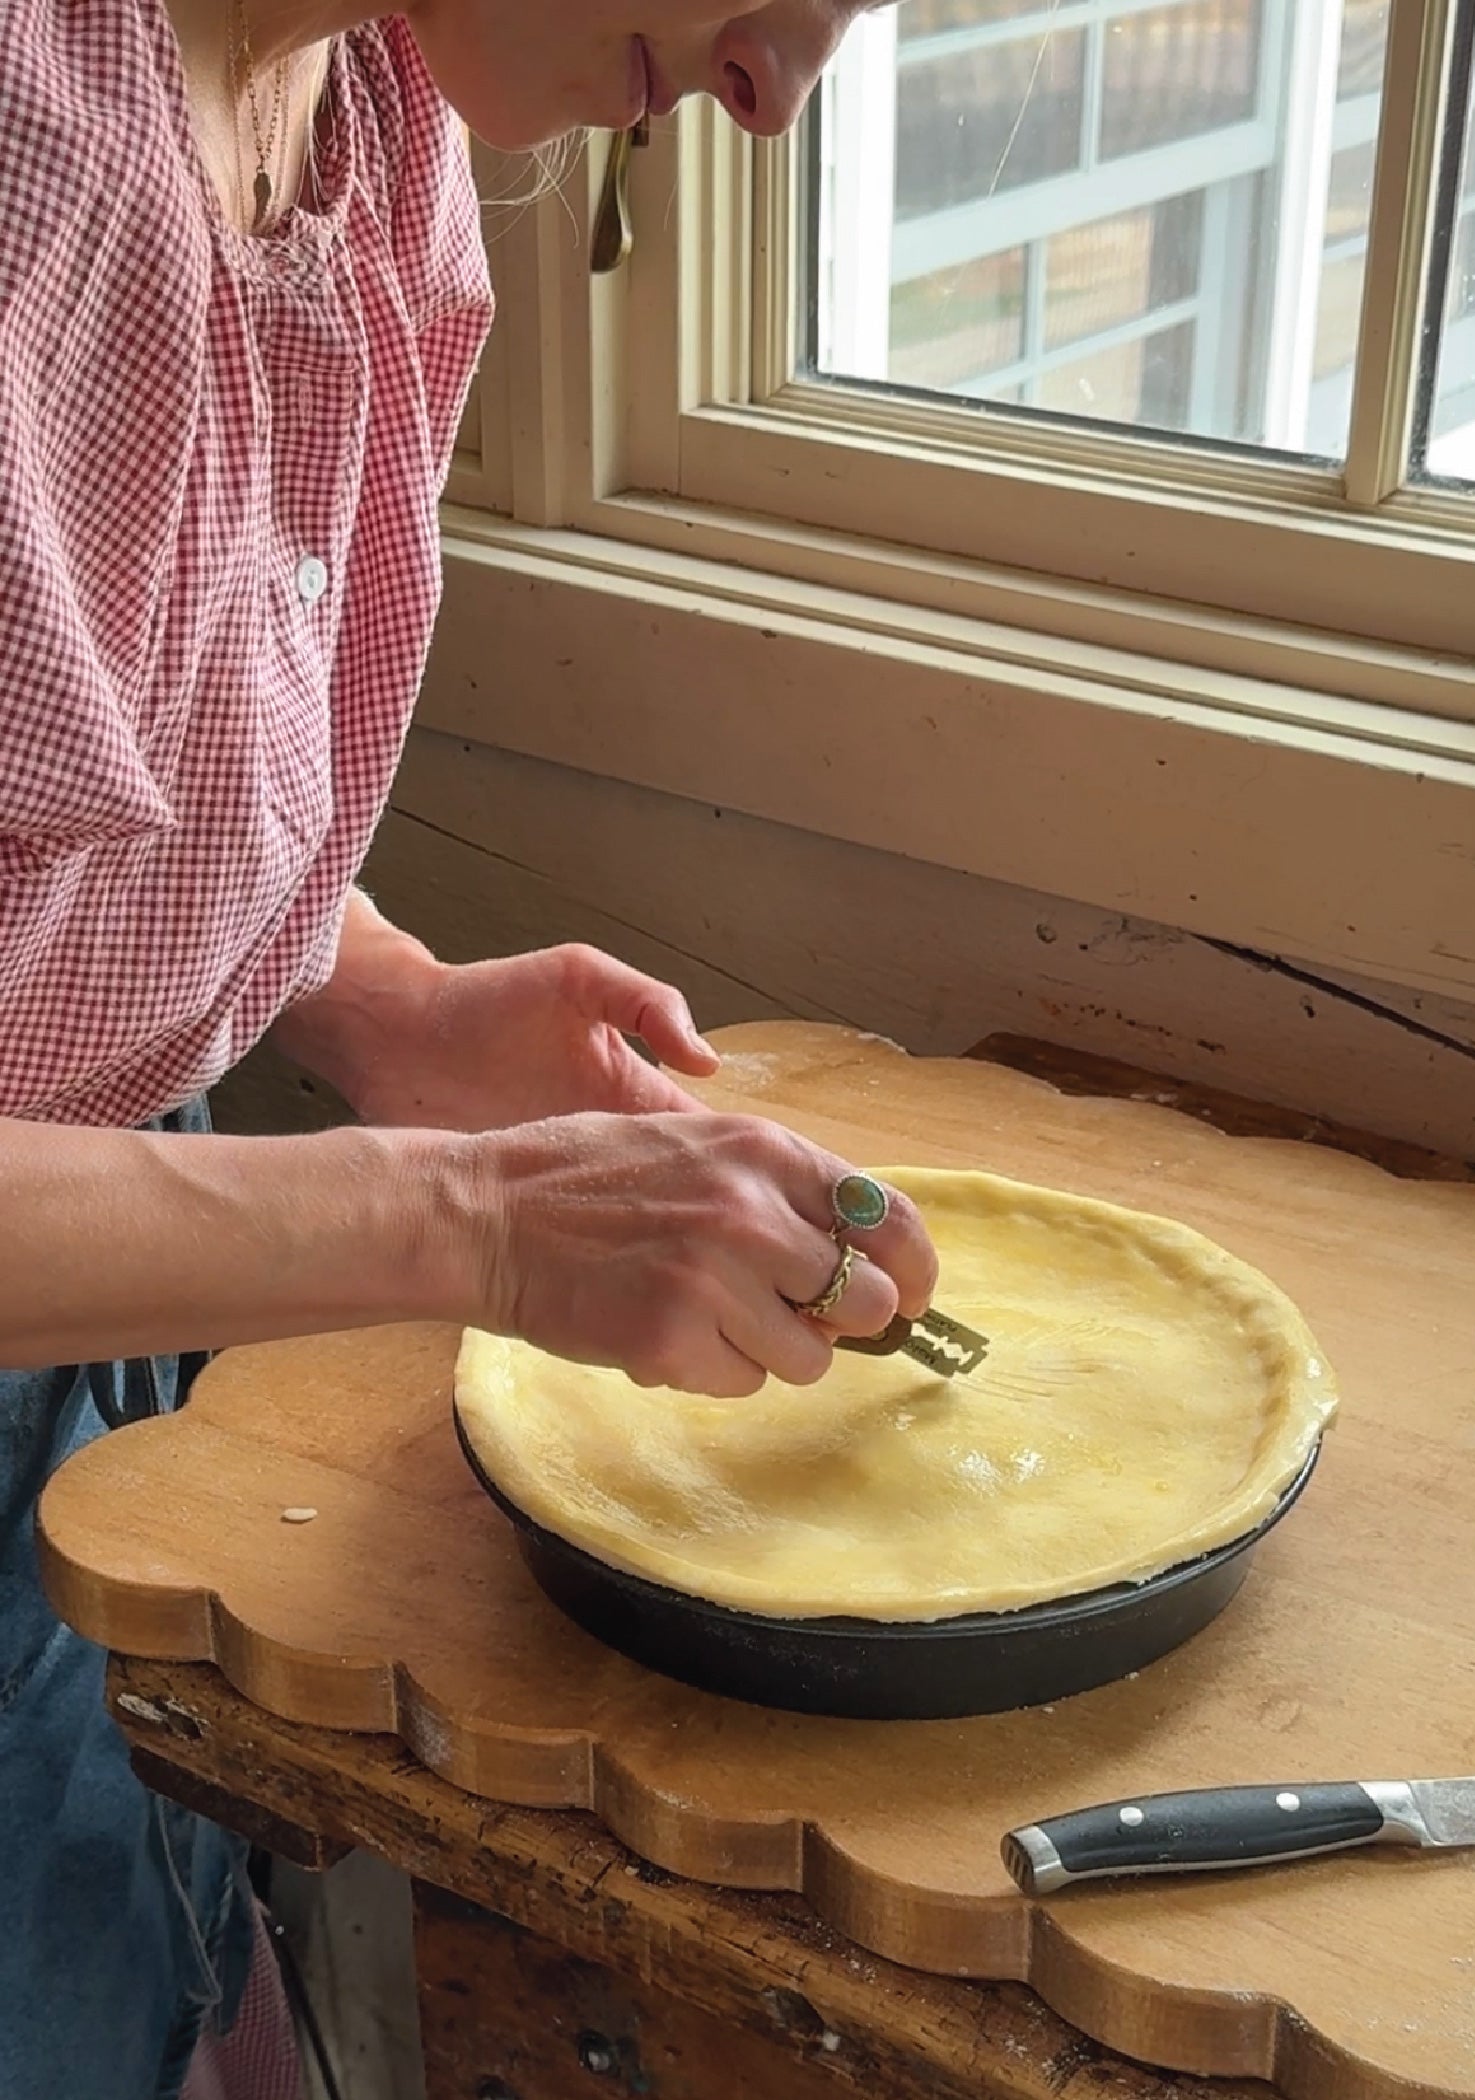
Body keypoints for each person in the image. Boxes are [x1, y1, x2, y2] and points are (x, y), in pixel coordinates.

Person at [0, 1, 936, 2094]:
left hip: (109, 1310)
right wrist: (481, 1224)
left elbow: (86, 779)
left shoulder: (383, 133)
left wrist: (385, 1004)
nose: (784, 87)